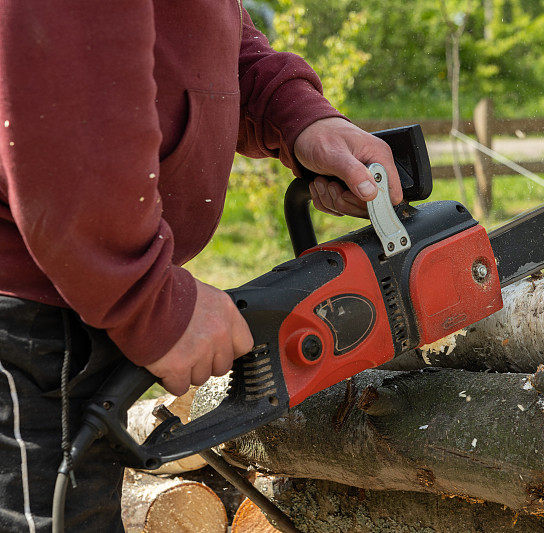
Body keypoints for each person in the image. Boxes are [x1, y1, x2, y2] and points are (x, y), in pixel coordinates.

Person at [0, 1, 402, 530]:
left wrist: (298, 117)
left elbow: (197, 34)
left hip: (82, 289)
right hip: (32, 307)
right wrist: (149, 302)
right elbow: (65, 93)